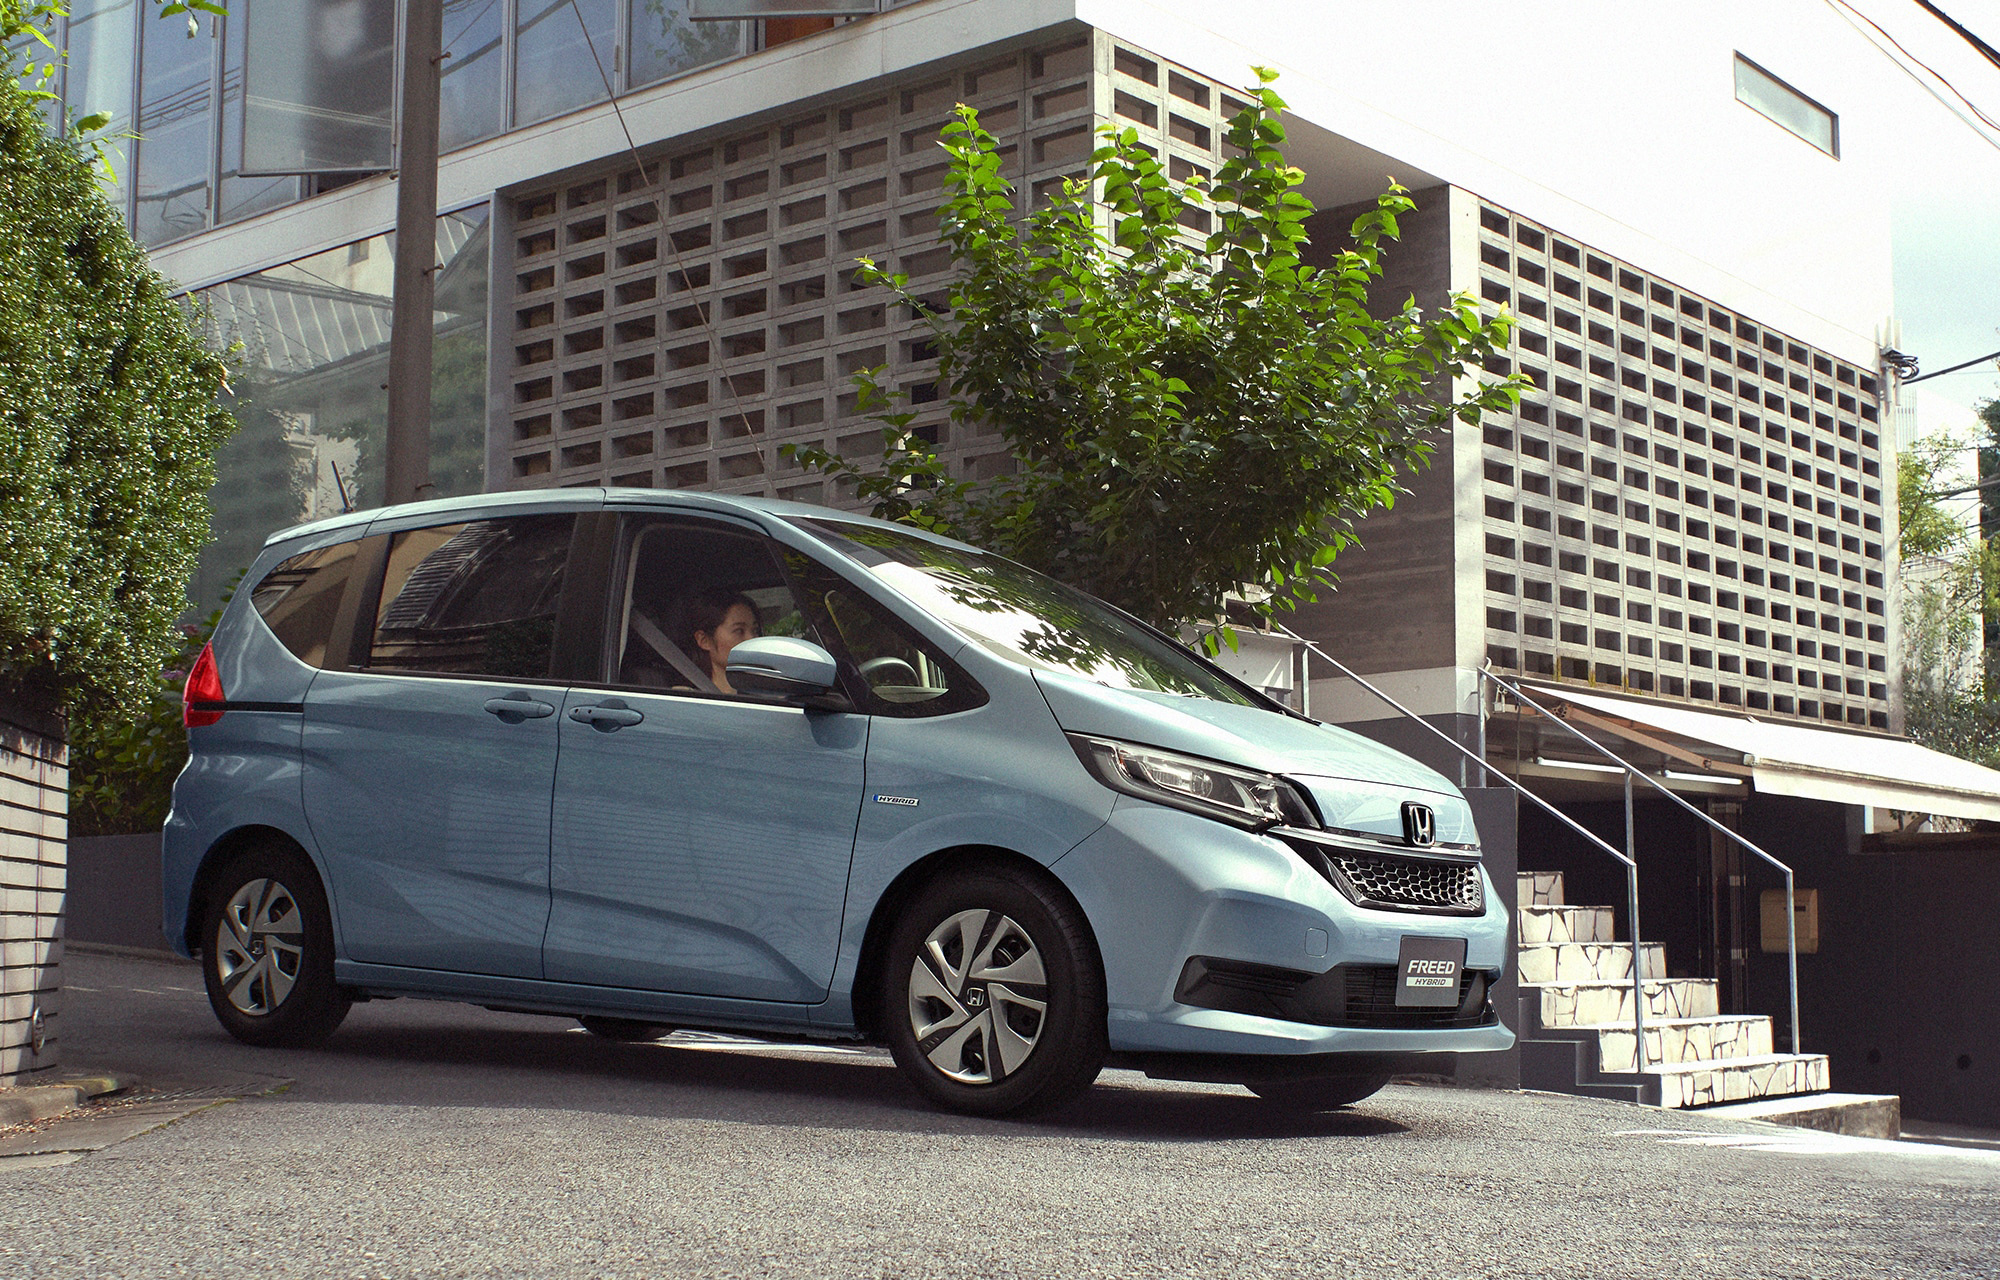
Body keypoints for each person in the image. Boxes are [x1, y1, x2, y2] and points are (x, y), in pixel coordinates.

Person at [685, 588, 760, 694]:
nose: (751, 639)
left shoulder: (770, 695)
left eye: (755, 630)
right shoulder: (685, 697)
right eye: (739, 631)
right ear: (704, 640)